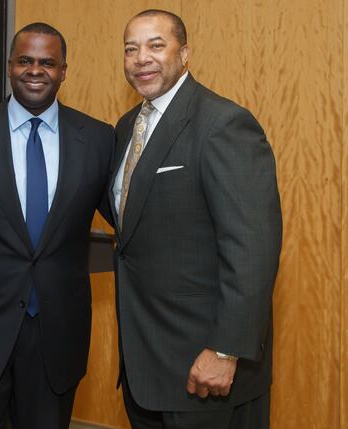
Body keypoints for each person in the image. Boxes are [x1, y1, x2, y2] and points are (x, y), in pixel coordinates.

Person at [110, 9, 282, 429]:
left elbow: (253, 247)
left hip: (205, 369)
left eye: (156, 45)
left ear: (184, 53)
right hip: (145, 363)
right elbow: (132, 220)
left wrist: (225, 351)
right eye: (131, 49)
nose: (141, 58)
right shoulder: (127, 126)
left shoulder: (223, 123)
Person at [0, 22, 114, 429]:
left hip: (57, 333)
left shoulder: (99, 139)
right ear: (10, 67)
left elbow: (128, 219)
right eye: (26, 61)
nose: (36, 70)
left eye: (48, 62)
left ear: (64, 70)